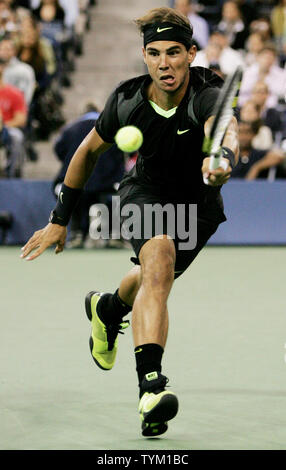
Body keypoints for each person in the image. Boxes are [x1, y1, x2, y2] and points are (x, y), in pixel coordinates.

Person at [20, 7, 239, 437]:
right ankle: (151, 388)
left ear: (190, 54)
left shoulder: (207, 93)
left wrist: (223, 159)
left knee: (149, 276)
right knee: (157, 263)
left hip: (199, 205)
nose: (164, 63)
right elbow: (85, 153)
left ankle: (108, 307)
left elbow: (224, 130)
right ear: (144, 56)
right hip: (145, 192)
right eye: (154, 53)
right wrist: (60, 219)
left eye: (174, 53)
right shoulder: (128, 99)